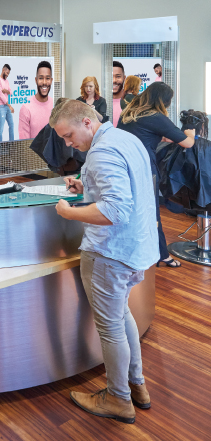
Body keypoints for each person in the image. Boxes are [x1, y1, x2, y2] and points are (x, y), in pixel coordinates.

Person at [50, 100, 158, 425]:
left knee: (110, 328)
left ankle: (118, 398)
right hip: (134, 249)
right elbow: (127, 188)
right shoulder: (125, 139)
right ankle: (136, 386)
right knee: (122, 317)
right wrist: (87, 187)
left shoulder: (101, 152)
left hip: (110, 253)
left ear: (86, 122)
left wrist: (69, 212)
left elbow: (115, 210)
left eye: (69, 135)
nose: (68, 144)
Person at [118, 82, 195, 268]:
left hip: (123, 167)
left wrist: (161, 137)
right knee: (152, 213)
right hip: (143, 170)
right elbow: (188, 143)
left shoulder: (128, 114)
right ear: (163, 100)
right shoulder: (156, 116)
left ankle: (132, 251)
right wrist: (190, 132)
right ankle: (162, 255)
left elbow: (142, 135)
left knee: (130, 210)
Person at [19, 61, 54, 139]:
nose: (44, 82)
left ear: (51, 80)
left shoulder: (55, 106)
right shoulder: (26, 108)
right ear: (36, 80)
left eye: (47, 78)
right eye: (41, 78)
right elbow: (24, 142)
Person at [0, 64, 15, 142]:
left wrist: (6, 91)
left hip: (7, 106)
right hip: (1, 107)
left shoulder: (7, 81)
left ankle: (11, 143)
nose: (7, 75)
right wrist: (10, 106)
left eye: (8, 73)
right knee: (1, 127)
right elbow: (1, 96)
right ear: (3, 70)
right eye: (7, 73)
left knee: (11, 124)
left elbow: (11, 92)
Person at [112, 61, 126, 127]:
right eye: (110, 76)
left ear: (124, 78)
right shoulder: (99, 102)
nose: (114, 80)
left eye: (118, 76)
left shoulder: (133, 102)